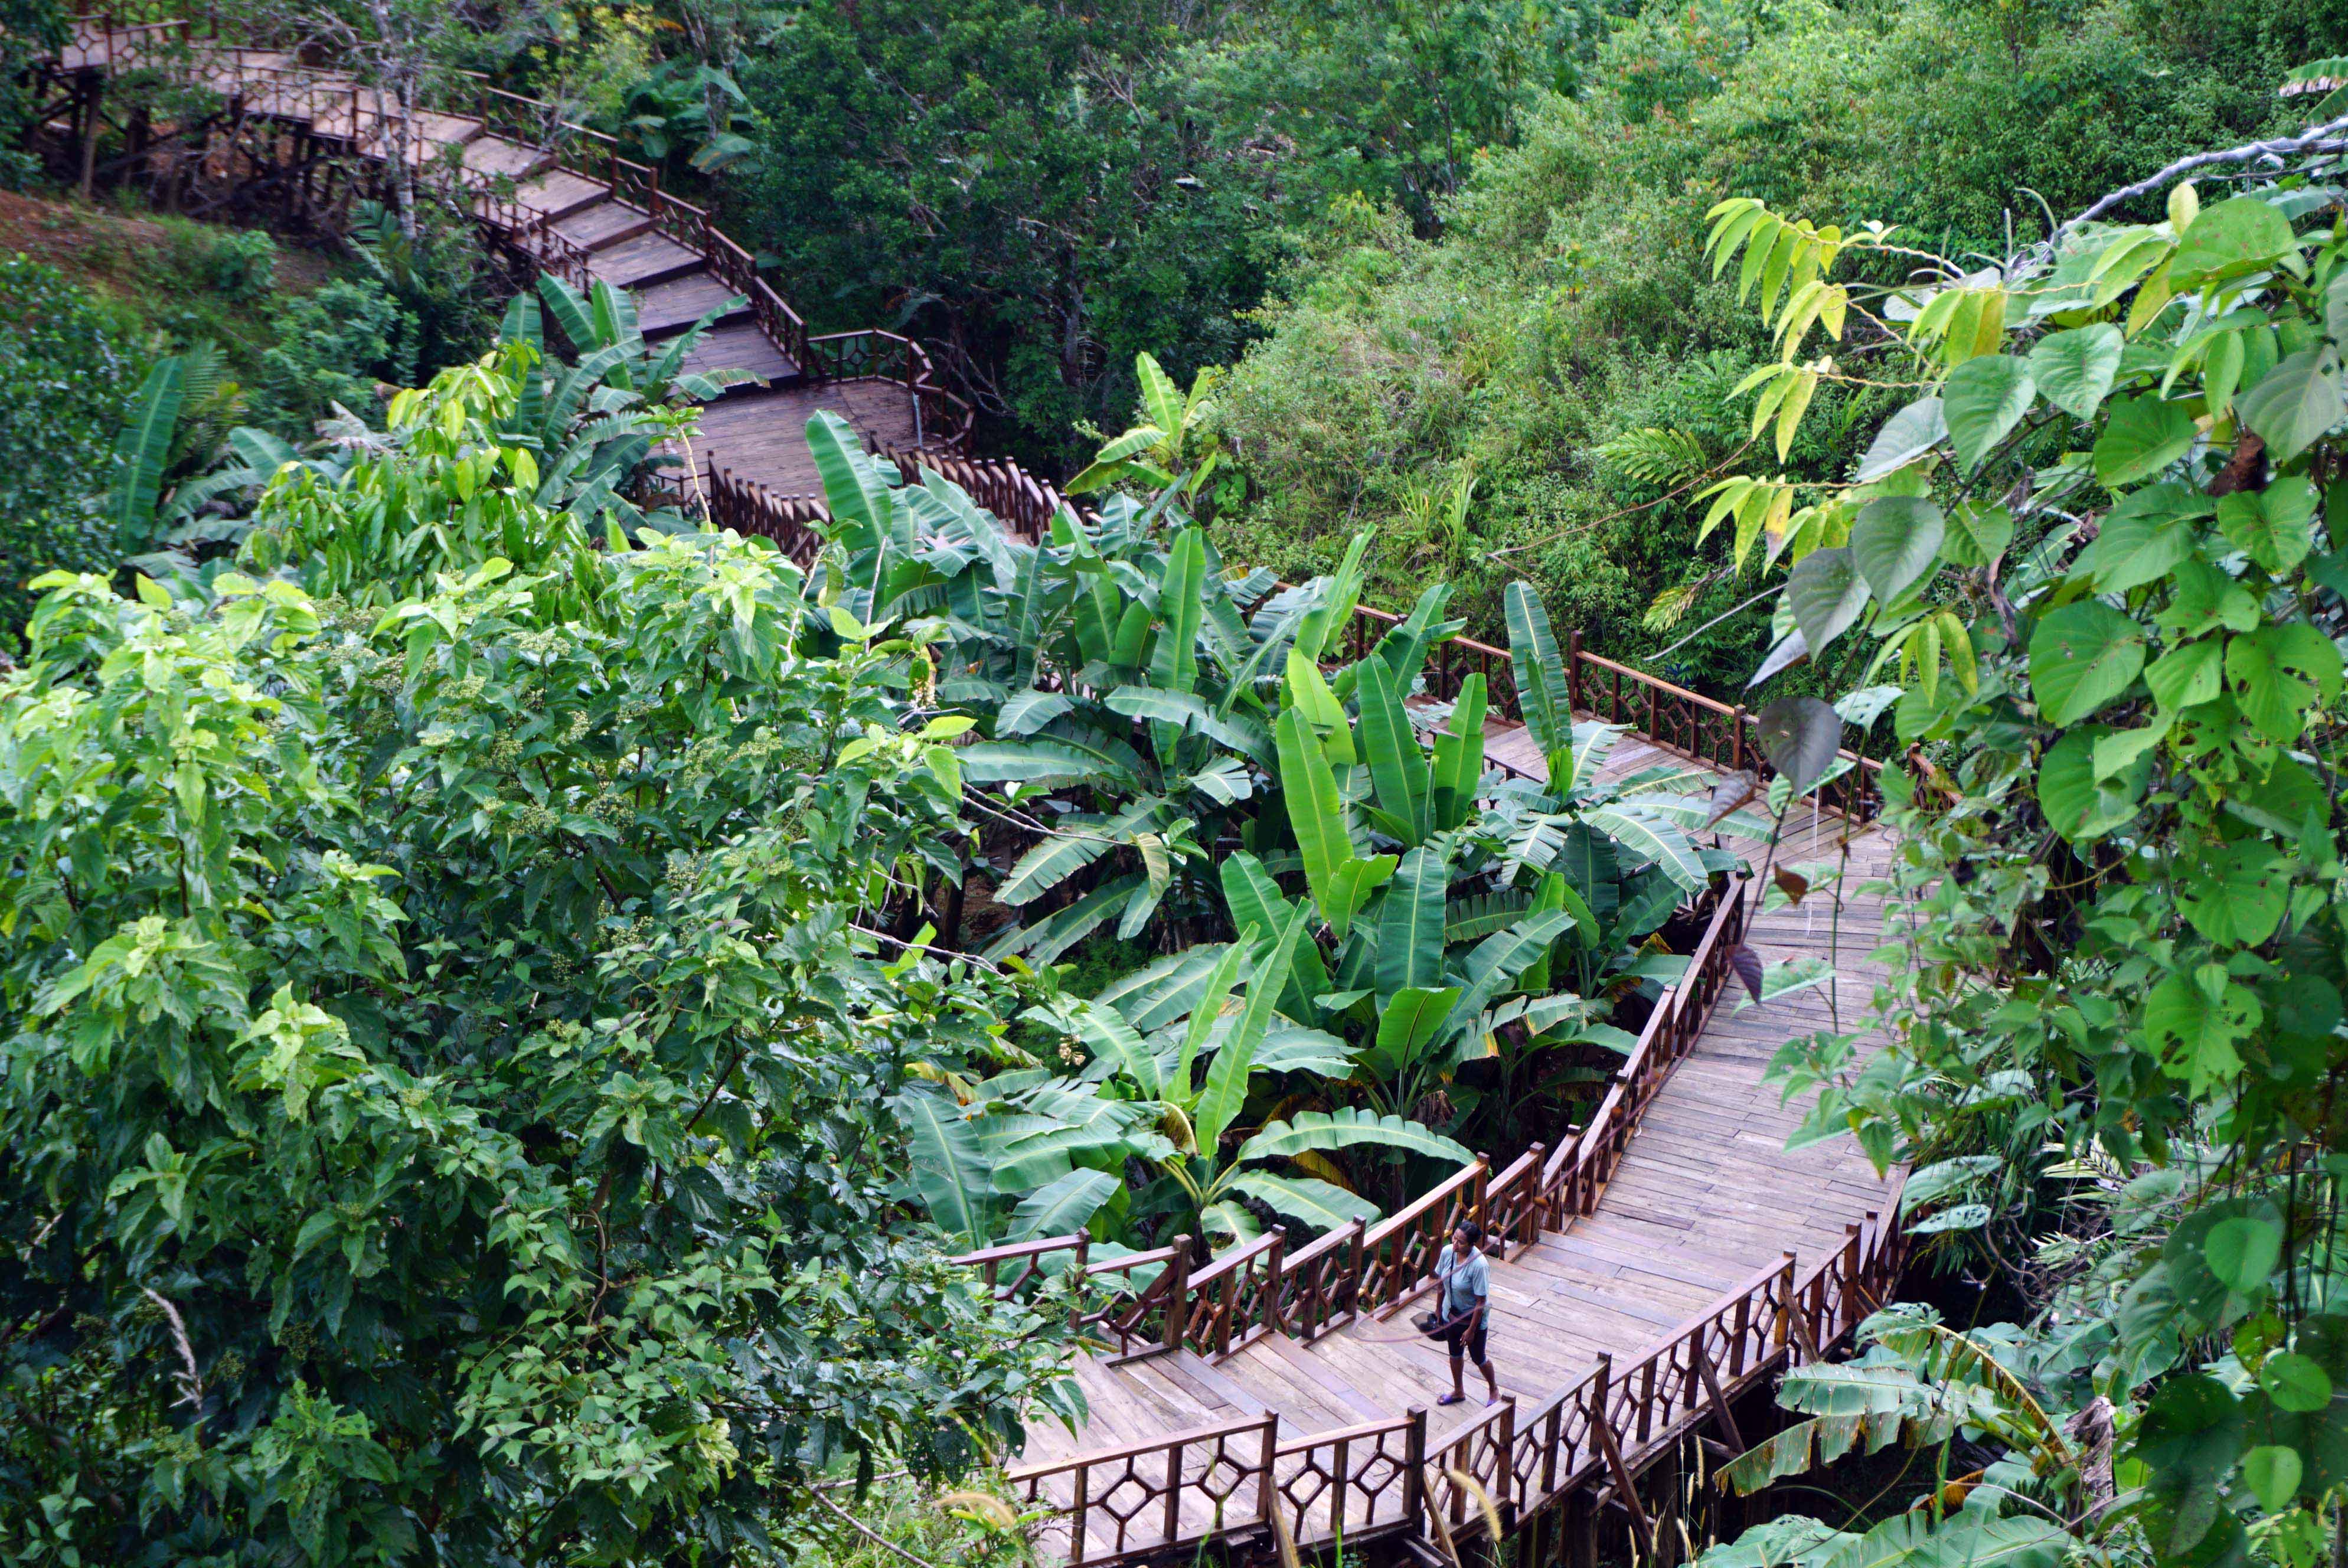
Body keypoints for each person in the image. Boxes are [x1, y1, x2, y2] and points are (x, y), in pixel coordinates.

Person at [1433, 1219, 1499, 1406]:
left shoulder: (1479, 1265)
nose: (1455, 1244)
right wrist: (1438, 1310)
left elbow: (1481, 1301)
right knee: (1455, 1353)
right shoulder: (1448, 1253)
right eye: (1454, 1238)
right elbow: (1441, 1283)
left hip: (1472, 1320)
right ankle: (1458, 1391)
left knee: (1478, 1356)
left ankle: (1494, 1389)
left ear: (1471, 1244)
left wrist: (1471, 1331)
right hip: (1451, 1314)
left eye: (1461, 1242)